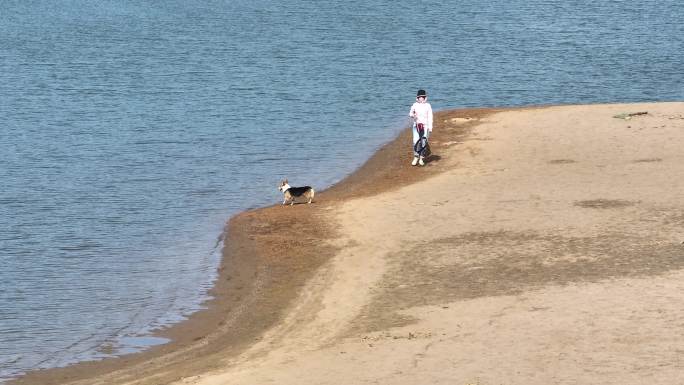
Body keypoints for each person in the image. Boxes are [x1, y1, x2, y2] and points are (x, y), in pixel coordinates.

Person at [409, 89, 433, 166]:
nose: (421, 98)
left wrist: (430, 127)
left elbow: (430, 117)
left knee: (423, 142)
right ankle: (416, 157)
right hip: (416, 126)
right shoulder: (414, 105)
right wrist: (413, 115)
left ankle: (421, 159)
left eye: (423, 97)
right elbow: (410, 113)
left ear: (425, 97)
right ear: (417, 98)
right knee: (415, 141)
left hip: (425, 127)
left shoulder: (428, 105)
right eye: (420, 97)